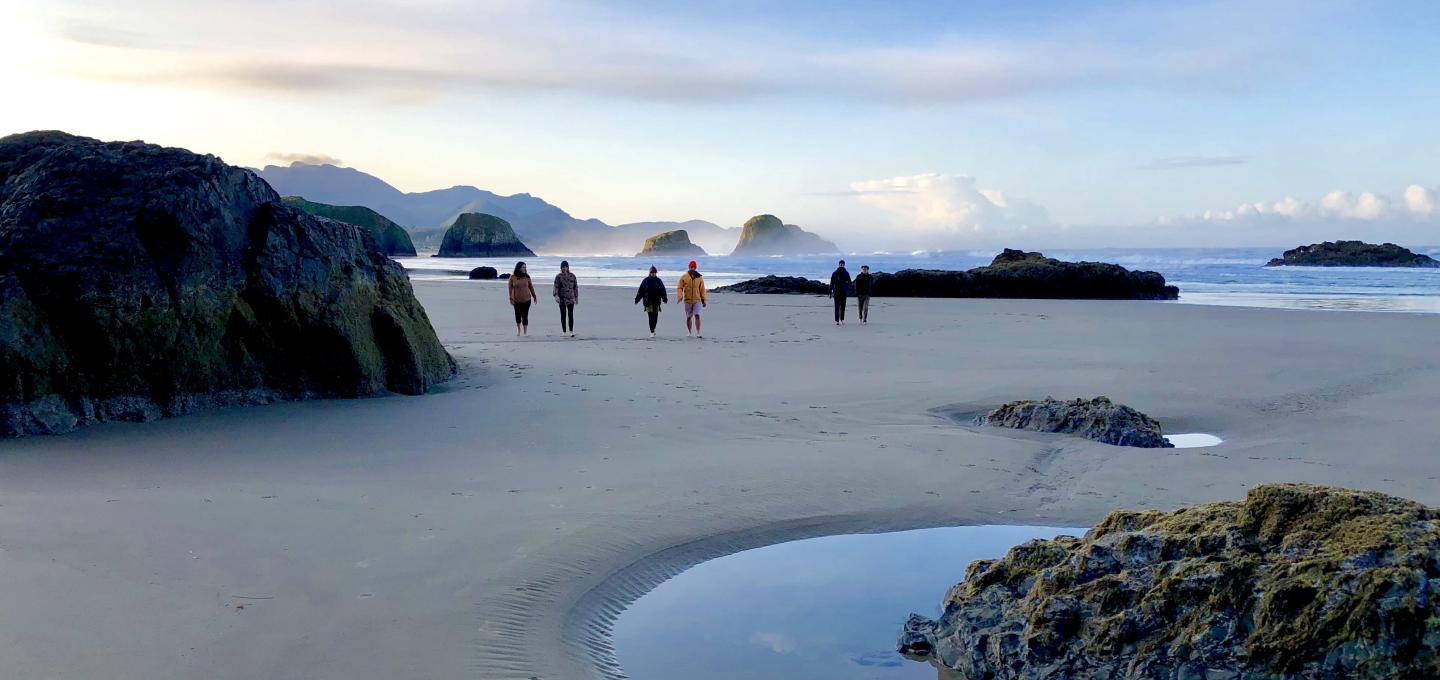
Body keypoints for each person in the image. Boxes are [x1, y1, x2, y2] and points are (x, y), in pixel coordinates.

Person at [634, 266, 668, 337]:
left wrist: (664, 298)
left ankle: (653, 328)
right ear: (649, 273)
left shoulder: (658, 281)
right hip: (648, 301)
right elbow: (641, 290)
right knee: (650, 316)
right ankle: (652, 331)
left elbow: (662, 290)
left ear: (656, 273)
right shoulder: (645, 281)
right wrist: (637, 299)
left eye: (654, 273)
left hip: (656, 301)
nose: (653, 274)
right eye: (652, 273)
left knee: (655, 316)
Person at [676, 260, 707, 338]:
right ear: (689, 267)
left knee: (697, 315)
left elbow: (702, 289)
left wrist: (704, 300)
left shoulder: (699, 277)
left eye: (694, 267)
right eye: (691, 267)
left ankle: (698, 332)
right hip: (688, 300)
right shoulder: (684, 277)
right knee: (689, 317)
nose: (692, 268)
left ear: (695, 268)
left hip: (697, 300)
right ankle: (689, 332)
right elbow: (680, 287)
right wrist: (680, 296)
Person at [508, 261, 537, 336]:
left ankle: (525, 332)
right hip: (516, 300)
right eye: (523, 267)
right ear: (519, 268)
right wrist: (510, 298)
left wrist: (534, 296)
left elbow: (531, 287)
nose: (524, 269)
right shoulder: (512, 277)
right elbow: (510, 288)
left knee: (525, 316)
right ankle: (518, 330)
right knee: (517, 315)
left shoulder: (527, 277)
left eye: (525, 267)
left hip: (527, 299)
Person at [553, 260, 579, 337]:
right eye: (563, 267)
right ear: (561, 268)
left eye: (566, 267)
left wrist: (576, 297)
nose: (564, 268)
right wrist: (556, 296)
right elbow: (555, 287)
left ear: (568, 267)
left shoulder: (572, 276)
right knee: (563, 315)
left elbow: (575, 287)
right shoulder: (558, 277)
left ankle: (571, 331)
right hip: (562, 298)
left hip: (571, 298)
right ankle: (564, 331)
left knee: (570, 314)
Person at [829, 259, 852, 326]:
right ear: (838, 265)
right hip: (836, 291)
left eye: (842, 264)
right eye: (840, 264)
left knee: (843, 306)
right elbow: (831, 283)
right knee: (836, 306)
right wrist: (830, 292)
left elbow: (850, 282)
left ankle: (841, 319)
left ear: (844, 265)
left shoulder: (846, 273)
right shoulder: (835, 273)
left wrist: (848, 289)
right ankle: (837, 320)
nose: (841, 265)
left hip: (844, 292)